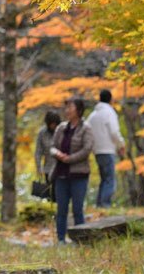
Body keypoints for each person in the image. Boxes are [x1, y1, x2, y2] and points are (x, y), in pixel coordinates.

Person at [51, 96, 94, 244]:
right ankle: (61, 239)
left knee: (77, 208)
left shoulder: (86, 128)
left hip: (79, 174)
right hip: (61, 174)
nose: (67, 110)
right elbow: (52, 146)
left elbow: (87, 149)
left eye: (70, 107)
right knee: (61, 209)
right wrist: (58, 154)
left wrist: (71, 158)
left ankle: (80, 240)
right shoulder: (61, 128)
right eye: (66, 107)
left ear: (79, 110)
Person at [85, 89, 126, 208]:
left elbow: (87, 132)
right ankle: (105, 204)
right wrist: (121, 144)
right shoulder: (109, 112)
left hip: (97, 151)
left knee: (104, 178)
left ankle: (100, 203)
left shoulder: (92, 115)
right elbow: (114, 132)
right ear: (110, 99)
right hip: (107, 149)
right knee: (109, 179)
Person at [34, 110, 62, 201]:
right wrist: (39, 167)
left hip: (61, 168)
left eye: (55, 124)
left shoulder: (62, 131)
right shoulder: (42, 133)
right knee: (50, 194)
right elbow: (38, 151)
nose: (53, 126)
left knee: (60, 193)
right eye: (51, 124)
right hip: (48, 168)